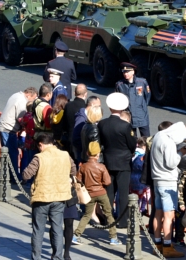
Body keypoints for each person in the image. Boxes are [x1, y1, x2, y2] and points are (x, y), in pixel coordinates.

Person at [23, 131, 78, 260]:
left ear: (41, 144)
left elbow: (26, 175)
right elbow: (74, 170)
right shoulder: (65, 155)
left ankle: (36, 257)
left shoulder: (39, 158)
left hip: (42, 197)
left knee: (38, 229)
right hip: (60, 197)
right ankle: (57, 257)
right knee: (57, 229)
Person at [150, 121, 186, 257]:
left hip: (157, 180)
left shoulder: (158, 136)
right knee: (169, 216)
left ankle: (158, 244)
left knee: (158, 214)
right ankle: (167, 246)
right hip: (168, 182)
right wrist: (181, 152)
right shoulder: (170, 142)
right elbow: (172, 163)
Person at [98, 92, 137, 224]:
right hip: (124, 162)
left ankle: (108, 217)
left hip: (108, 160)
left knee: (109, 191)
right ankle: (122, 220)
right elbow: (132, 144)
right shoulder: (125, 126)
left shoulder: (102, 124)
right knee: (123, 192)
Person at [73, 145, 118, 245]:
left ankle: (76, 235)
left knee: (87, 215)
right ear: (98, 154)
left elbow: (78, 180)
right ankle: (113, 238)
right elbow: (107, 182)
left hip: (89, 194)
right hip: (101, 193)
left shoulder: (83, 167)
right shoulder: (101, 167)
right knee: (108, 214)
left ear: (87, 153)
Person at [115, 63, 151, 137]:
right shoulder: (119, 84)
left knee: (147, 140)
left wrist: (142, 107)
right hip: (129, 118)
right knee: (132, 141)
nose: (125, 74)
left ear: (133, 72)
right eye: (124, 72)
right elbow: (118, 100)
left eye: (127, 72)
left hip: (142, 117)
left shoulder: (142, 82)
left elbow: (148, 95)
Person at [61, 84, 86, 161]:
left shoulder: (68, 105)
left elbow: (64, 122)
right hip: (80, 140)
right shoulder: (85, 107)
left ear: (74, 93)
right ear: (85, 94)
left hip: (68, 138)